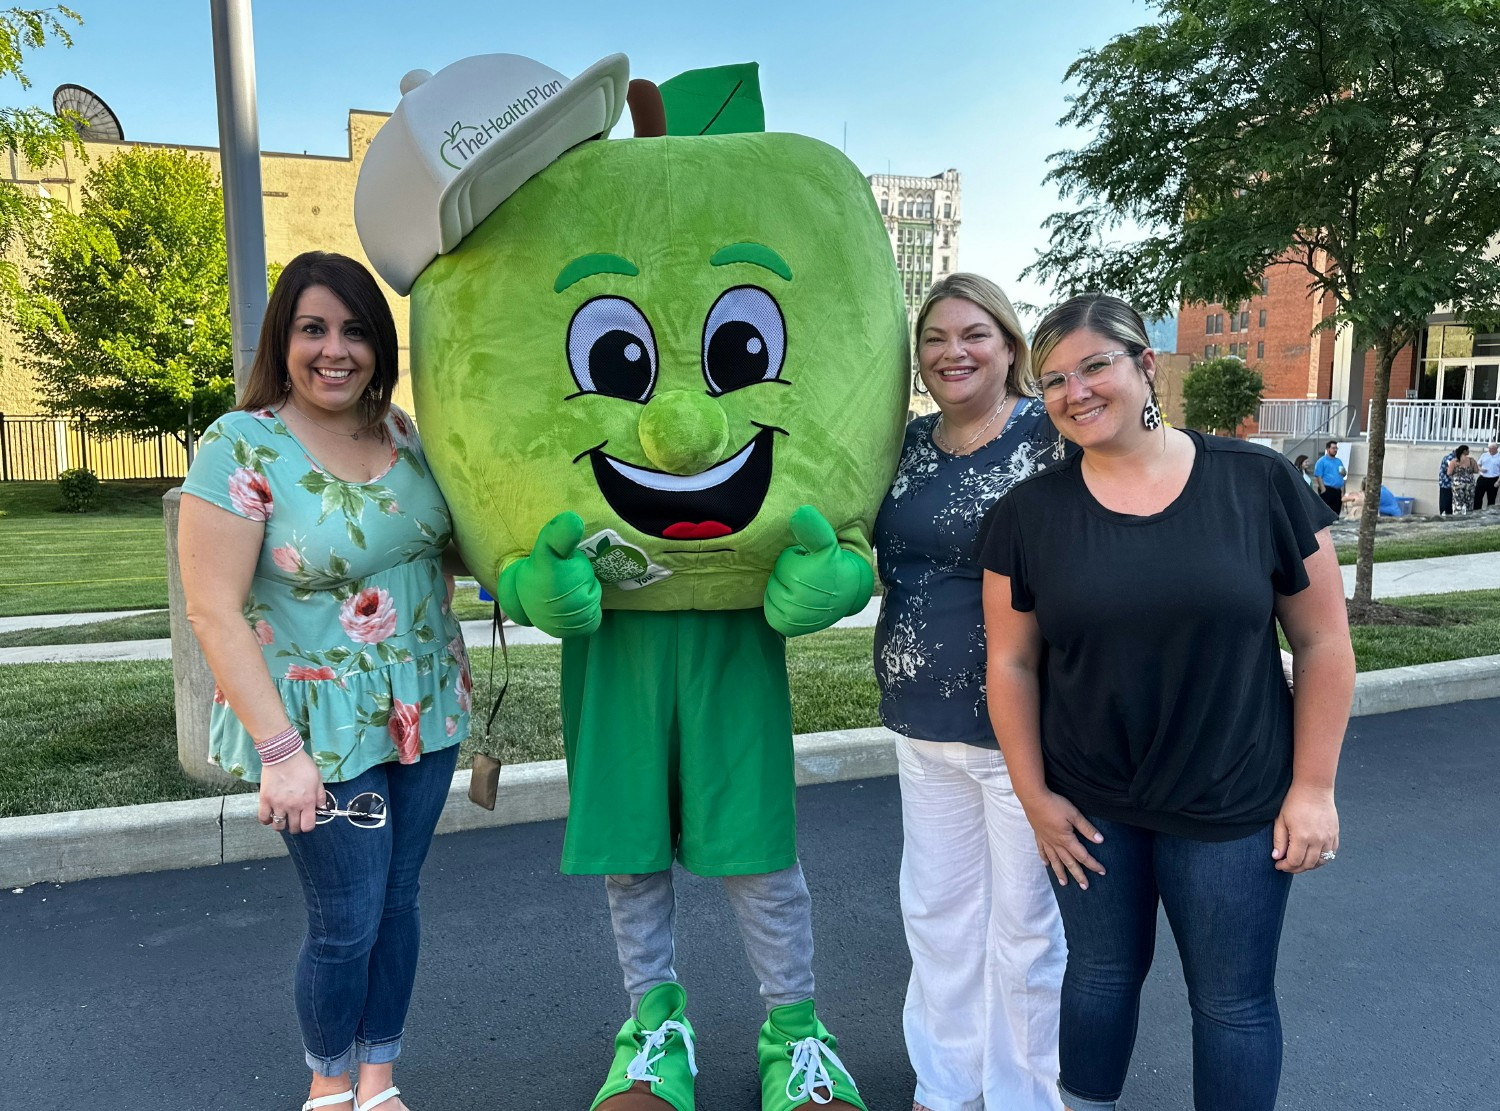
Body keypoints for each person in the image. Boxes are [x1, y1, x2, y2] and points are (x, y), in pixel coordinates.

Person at [980, 293, 1355, 1111]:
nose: (1074, 390)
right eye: (1052, 380)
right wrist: (1034, 796)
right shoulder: (1028, 516)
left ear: (1145, 365)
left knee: (1232, 1000)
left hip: (1233, 797)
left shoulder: (1257, 482)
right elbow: (1010, 664)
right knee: (1101, 974)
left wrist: (1314, 788)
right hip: (1090, 801)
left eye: (1094, 365)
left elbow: (1324, 643)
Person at [179, 251, 471, 1111]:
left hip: (422, 707)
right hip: (313, 725)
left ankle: (378, 1081)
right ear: (285, 337)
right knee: (346, 918)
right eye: (313, 329)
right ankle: (328, 1088)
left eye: (353, 331)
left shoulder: (405, 433)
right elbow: (214, 612)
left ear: (378, 344)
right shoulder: (242, 444)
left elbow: (443, 545)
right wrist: (280, 753)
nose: (333, 350)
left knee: (399, 902)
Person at [874, 273, 1068, 1111]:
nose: (953, 352)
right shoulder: (906, 444)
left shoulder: (1051, 434)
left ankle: (1024, 1094)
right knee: (939, 914)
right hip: (921, 719)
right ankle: (946, 1085)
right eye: (935, 339)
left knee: (1023, 927)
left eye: (974, 334)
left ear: (1010, 346)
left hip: (1027, 724)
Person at [1311, 439, 1346, 515]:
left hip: (1337, 489)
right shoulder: (1321, 461)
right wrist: (1323, 489)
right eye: (1333, 448)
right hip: (1327, 489)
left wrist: (1343, 473)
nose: (1335, 450)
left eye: (1336, 448)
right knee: (1326, 512)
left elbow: (1343, 473)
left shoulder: (1338, 461)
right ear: (1328, 449)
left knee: (1336, 511)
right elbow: (1318, 475)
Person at [1448, 444, 1478, 516]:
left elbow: (1449, 473)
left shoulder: (1454, 461)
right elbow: (1476, 470)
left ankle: (1458, 515)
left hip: (1458, 484)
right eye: (1468, 450)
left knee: (1457, 501)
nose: (1469, 451)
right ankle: (1468, 515)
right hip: (1470, 484)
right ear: (1465, 451)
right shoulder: (1471, 460)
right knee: (1469, 501)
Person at [1475, 442, 1500, 510]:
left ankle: (1489, 514)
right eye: (1489, 448)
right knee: (1477, 497)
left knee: (1491, 499)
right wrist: (1480, 469)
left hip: (1494, 479)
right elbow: (1478, 465)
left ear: (1496, 449)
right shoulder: (1484, 455)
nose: (1490, 450)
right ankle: (1476, 512)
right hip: (1483, 478)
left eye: (1491, 449)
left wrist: (1498, 481)